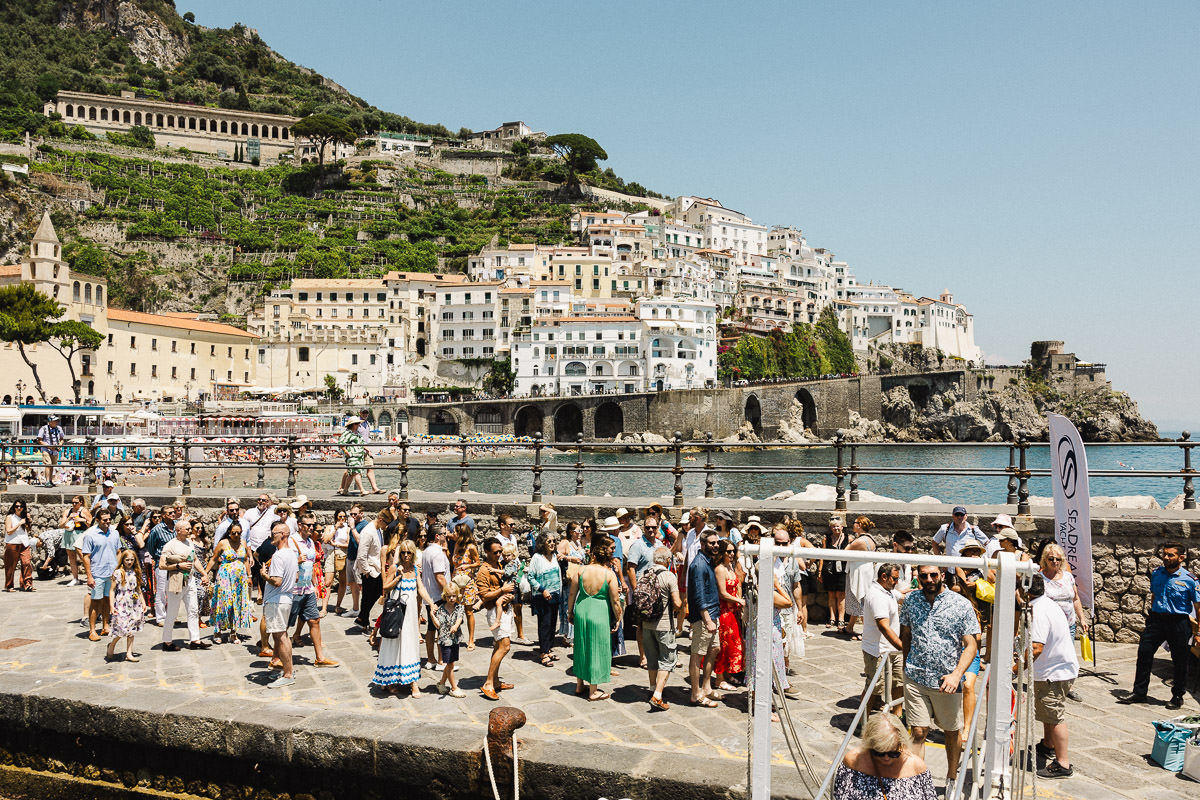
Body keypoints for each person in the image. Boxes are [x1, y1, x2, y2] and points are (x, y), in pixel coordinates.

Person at [899, 565, 980, 784]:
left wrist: (956, 675)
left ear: (942, 576)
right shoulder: (911, 601)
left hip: (947, 682)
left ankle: (952, 777)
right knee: (917, 731)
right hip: (916, 677)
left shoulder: (960, 604)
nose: (929, 579)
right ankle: (916, 783)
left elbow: (971, 644)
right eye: (924, 576)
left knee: (951, 731)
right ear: (918, 578)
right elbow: (906, 633)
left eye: (933, 575)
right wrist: (907, 665)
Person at [1119, 542, 1200, 710]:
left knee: (1180, 660)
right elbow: (1154, 595)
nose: (1166, 557)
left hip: (1178, 622)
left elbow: (1198, 608)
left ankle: (1177, 696)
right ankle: (1139, 692)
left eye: (1171, 555)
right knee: (1144, 653)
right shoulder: (1156, 574)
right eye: (1164, 554)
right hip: (1156, 620)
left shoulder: (1190, 580)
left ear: (1181, 558)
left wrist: (1198, 631)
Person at [1027, 574, 1079, 779]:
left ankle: (1063, 763)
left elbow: (1036, 647)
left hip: (1054, 672)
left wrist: (1015, 668)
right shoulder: (1046, 604)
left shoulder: (1038, 611)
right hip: (1055, 670)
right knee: (1048, 713)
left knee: (1055, 716)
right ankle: (1048, 745)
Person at [373, 538, 432, 695]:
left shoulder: (414, 569)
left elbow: (421, 589)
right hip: (397, 613)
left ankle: (413, 682)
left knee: (410, 643)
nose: (406, 555)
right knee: (393, 643)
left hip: (411, 613)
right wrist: (398, 577)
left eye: (409, 552)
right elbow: (384, 588)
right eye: (403, 552)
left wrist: (431, 603)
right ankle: (389, 680)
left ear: (413, 554)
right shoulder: (395, 568)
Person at [834, 712, 937, 800]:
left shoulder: (916, 766)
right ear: (870, 745)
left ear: (901, 744)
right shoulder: (853, 761)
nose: (886, 758)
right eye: (879, 752)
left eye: (894, 753)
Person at [569, 533, 623, 701]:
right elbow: (615, 601)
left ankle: (579, 685)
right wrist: (618, 618)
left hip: (582, 609)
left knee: (581, 646)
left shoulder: (582, 570)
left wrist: (570, 611)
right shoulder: (609, 574)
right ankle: (593, 690)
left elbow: (572, 593)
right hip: (599, 611)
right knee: (597, 648)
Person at [286, 513, 338, 668]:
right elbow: (283, 563)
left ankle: (320, 658)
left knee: (314, 620)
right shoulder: (291, 541)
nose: (311, 528)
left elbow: (312, 565)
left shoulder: (309, 541)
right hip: (294, 590)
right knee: (285, 626)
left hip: (307, 588)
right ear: (300, 525)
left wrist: (315, 585)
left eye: (313, 525)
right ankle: (276, 657)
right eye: (308, 525)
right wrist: (296, 560)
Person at [159, 519, 211, 651]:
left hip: (190, 580)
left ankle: (195, 640)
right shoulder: (170, 545)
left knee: (193, 610)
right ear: (178, 531)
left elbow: (195, 560)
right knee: (172, 612)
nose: (189, 531)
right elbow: (161, 565)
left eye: (189, 528)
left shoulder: (189, 543)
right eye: (187, 529)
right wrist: (178, 565)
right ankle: (167, 641)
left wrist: (204, 574)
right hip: (176, 581)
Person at [641, 546, 681, 710]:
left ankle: (651, 689)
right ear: (667, 560)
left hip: (646, 623)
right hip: (664, 624)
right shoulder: (669, 576)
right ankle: (658, 695)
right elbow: (677, 603)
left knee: (651, 658)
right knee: (667, 660)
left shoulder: (646, 573)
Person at [476, 536, 515, 700]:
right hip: (494, 611)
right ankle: (488, 683)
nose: (499, 554)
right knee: (504, 647)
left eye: (500, 551)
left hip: (505, 608)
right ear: (486, 552)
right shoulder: (483, 571)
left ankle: (496, 681)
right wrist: (502, 591)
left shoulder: (500, 564)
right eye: (495, 552)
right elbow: (484, 596)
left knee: (498, 646)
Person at [862, 563, 904, 714]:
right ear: (884, 576)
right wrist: (903, 647)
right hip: (878, 650)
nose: (897, 582)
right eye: (894, 578)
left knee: (898, 682)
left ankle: (898, 715)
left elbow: (902, 596)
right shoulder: (877, 596)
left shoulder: (888, 590)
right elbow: (884, 627)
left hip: (892, 648)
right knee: (874, 687)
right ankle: (863, 719)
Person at [687, 529, 722, 707]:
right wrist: (707, 620)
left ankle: (706, 687)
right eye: (712, 543)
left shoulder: (708, 561)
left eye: (717, 542)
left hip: (713, 614)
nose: (716, 545)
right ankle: (695, 693)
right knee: (697, 654)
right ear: (702, 544)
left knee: (714, 649)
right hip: (704, 618)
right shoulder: (699, 564)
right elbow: (699, 595)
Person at [262, 523, 297, 688]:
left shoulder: (278, 556)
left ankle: (288, 674)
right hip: (286, 598)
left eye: (274, 533)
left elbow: (277, 581)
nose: (271, 536)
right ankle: (286, 669)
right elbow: (295, 577)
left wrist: (264, 575)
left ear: (283, 534)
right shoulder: (292, 553)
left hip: (276, 600)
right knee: (282, 636)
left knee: (281, 637)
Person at [206, 522, 252, 644]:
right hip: (225, 577)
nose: (236, 535)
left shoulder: (243, 543)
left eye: (239, 533)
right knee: (224, 603)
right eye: (234, 533)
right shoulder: (223, 543)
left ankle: (233, 632)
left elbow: (246, 560)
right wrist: (205, 573)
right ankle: (217, 631)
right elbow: (213, 559)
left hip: (240, 579)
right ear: (229, 532)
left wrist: (249, 575)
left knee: (236, 603)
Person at [79, 508, 121, 641]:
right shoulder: (90, 535)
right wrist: (89, 576)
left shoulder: (114, 533)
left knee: (108, 600)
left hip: (111, 573)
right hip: (98, 573)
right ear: (97, 520)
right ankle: (92, 630)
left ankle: (105, 626)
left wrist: (118, 568)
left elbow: (118, 551)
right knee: (95, 602)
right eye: (105, 520)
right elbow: (86, 556)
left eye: (109, 519)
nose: (108, 522)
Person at [526, 531, 562, 667]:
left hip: (555, 594)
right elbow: (530, 577)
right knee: (544, 624)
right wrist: (542, 590)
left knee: (553, 623)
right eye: (549, 541)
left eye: (554, 541)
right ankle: (543, 652)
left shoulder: (554, 556)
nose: (552, 543)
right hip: (543, 596)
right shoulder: (537, 557)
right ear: (543, 543)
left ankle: (549, 649)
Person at [713, 539, 744, 692]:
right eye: (728, 551)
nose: (732, 554)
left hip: (733, 612)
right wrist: (739, 600)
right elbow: (722, 593)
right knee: (723, 646)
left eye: (733, 551)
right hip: (724, 612)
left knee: (732, 645)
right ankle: (719, 679)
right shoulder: (719, 569)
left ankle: (726, 674)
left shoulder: (730, 566)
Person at [353, 508, 392, 630]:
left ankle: (362, 618)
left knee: (371, 596)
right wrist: (366, 571)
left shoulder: (378, 529)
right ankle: (362, 619)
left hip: (376, 568)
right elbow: (361, 554)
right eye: (386, 523)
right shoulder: (368, 532)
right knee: (369, 596)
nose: (387, 526)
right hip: (370, 570)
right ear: (381, 520)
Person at [420, 523, 451, 670]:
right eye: (444, 534)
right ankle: (441, 661)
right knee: (442, 628)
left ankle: (431, 659)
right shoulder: (438, 553)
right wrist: (449, 594)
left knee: (431, 629)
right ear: (437, 536)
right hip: (439, 596)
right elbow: (439, 577)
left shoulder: (426, 551)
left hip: (429, 595)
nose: (447, 536)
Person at [106, 549, 144, 662]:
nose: (129, 562)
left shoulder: (135, 571)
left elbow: (138, 589)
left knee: (131, 629)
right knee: (121, 628)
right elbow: (112, 590)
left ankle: (129, 653)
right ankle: (112, 645)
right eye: (127, 560)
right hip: (122, 602)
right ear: (123, 560)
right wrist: (111, 606)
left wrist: (143, 602)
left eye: (132, 560)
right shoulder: (118, 573)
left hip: (134, 602)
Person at [844, 516, 878, 640]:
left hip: (859, 572)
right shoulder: (871, 539)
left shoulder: (859, 541)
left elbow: (845, 551)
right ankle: (850, 626)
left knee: (861, 600)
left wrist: (850, 541)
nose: (853, 525)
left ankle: (867, 632)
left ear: (860, 525)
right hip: (866, 570)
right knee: (860, 599)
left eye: (855, 523)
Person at [451, 521, 481, 650]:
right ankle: (454, 635)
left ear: (461, 533)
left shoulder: (471, 547)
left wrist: (467, 565)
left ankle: (471, 639)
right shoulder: (457, 544)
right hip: (456, 581)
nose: (453, 534)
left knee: (468, 611)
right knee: (454, 609)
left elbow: (478, 562)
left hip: (467, 582)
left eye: (455, 532)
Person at [434, 583, 467, 697]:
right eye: (449, 596)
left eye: (453, 595)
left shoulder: (459, 607)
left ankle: (441, 683)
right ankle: (454, 688)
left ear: (457, 595)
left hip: (455, 639)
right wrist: (432, 615)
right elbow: (438, 625)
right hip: (444, 640)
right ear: (445, 596)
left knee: (450, 663)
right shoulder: (440, 609)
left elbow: (459, 618)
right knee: (450, 664)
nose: (451, 598)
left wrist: (456, 626)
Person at [557, 522, 585, 646]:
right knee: (568, 605)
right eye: (578, 531)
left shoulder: (578, 543)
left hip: (579, 577)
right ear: (570, 532)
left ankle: (573, 634)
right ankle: (567, 634)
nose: (580, 533)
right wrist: (570, 559)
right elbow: (556, 555)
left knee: (577, 605)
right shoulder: (565, 543)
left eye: (580, 531)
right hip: (569, 580)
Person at [820, 515, 849, 631]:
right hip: (829, 570)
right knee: (831, 594)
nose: (836, 529)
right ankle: (832, 618)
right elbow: (821, 555)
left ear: (842, 527)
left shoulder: (848, 538)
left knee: (841, 595)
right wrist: (819, 571)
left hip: (842, 570)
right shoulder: (826, 538)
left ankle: (841, 619)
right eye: (833, 527)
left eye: (838, 527)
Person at [58, 496, 91, 586]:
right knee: (71, 557)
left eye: (76, 502)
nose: (74, 504)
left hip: (79, 534)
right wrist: (69, 518)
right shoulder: (67, 511)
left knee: (82, 555)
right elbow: (61, 525)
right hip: (69, 534)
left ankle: (90, 576)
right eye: (72, 502)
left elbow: (91, 523)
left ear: (81, 502)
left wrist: (82, 519)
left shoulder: (84, 511)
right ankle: (75, 578)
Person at [4, 500, 35, 592]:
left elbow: (27, 530)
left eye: (21, 506)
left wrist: (29, 522)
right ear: (14, 507)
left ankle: (27, 584)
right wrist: (19, 524)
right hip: (13, 543)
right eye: (17, 506)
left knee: (27, 563)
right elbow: (9, 531)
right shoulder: (10, 517)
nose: (19, 508)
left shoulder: (23, 517)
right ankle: (9, 586)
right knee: (11, 566)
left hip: (24, 543)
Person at [327, 510, 352, 614]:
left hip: (342, 554)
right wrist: (335, 528)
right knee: (328, 582)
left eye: (344, 517)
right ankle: (324, 607)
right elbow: (325, 539)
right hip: (331, 554)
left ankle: (338, 605)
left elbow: (349, 544)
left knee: (343, 581)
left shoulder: (348, 528)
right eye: (340, 517)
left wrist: (337, 545)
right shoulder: (330, 527)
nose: (342, 519)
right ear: (336, 517)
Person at [337, 416, 368, 496]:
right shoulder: (347, 433)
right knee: (356, 473)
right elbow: (341, 443)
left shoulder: (357, 434)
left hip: (358, 456)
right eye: (357, 424)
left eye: (358, 424)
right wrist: (346, 451)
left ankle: (345, 490)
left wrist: (367, 450)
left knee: (351, 474)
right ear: (353, 425)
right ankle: (362, 490)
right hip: (352, 456)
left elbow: (361, 443)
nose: (359, 425)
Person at [37, 415, 64, 487]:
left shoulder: (59, 428)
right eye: (55, 421)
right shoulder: (44, 429)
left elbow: (62, 439)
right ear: (50, 422)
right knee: (48, 464)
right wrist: (48, 446)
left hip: (55, 450)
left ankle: (50, 480)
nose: (56, 422)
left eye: (57, 421)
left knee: (52, 465)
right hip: (46, 449)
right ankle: (47, 481)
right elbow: (39, 440)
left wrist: (59, 445)